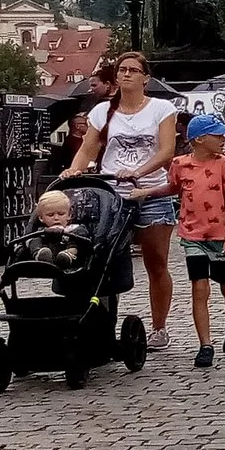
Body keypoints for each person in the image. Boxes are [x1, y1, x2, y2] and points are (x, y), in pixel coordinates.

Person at [67, 51, 181, 347]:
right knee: (104, 257)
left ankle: (159, 327)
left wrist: (139, 171)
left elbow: (166, 150)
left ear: (146, 77)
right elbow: (89, 148)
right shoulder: (103, 112)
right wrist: (74, 170)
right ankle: (102, 322)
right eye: (121, 70)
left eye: (133, 70)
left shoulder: (161, 109)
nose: (126, 74)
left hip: (151, 190)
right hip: (112, 194)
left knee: (156, 262)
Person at [170, 113, 225, 368]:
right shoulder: (179, 164)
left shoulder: (224, 164)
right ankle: (205, 344)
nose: (223, 139)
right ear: (199, 139)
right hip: (192, 235)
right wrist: (145, 191)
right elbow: (172, 188)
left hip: (220, 235)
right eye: (218, 135)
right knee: (199, 288)